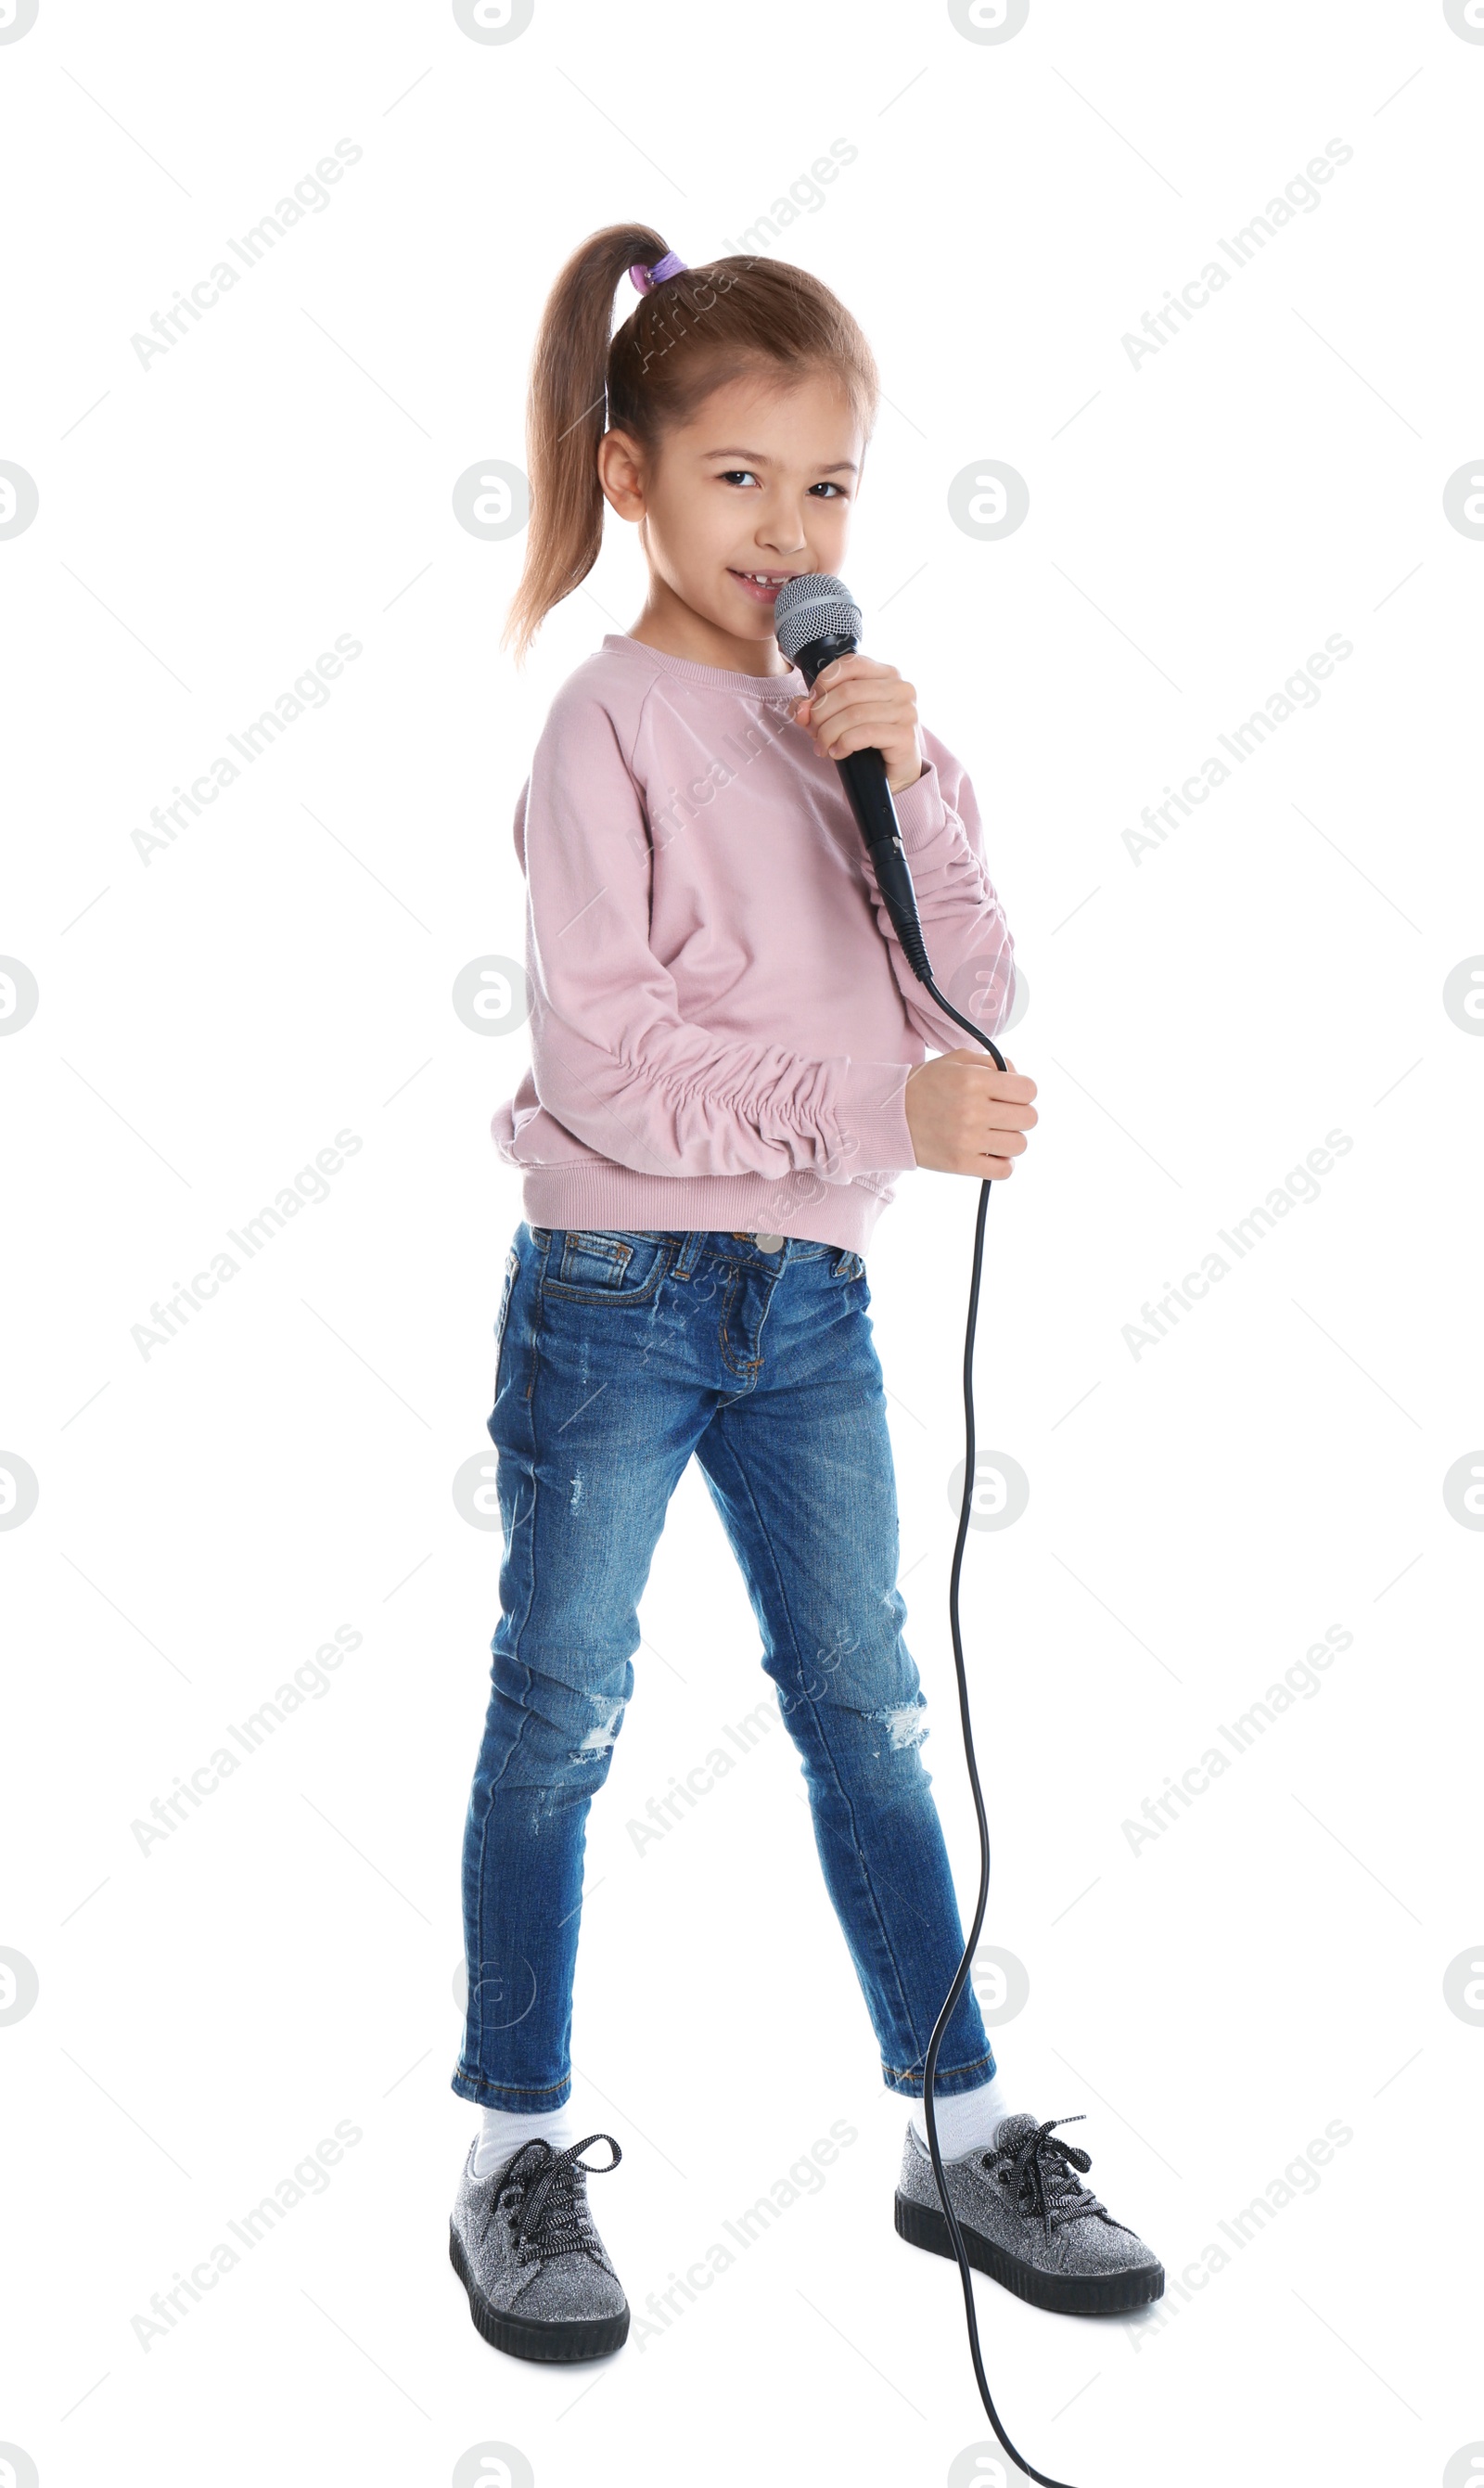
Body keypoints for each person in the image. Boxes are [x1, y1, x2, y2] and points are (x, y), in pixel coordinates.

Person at [448, 225, 1164, 2365]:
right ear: (627, 477)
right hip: (617, 1290)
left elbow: (971, 986)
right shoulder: (607, 730)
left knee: (861, 1704)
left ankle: (954, 2126)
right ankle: (505, 2151)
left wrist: (910, 777)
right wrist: (882, 1098)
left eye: (828, 485)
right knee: (561, 1710)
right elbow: (608, 1055)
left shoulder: (834, 729)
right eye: (738, 477)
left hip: (812, 1310)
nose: (787, 527)